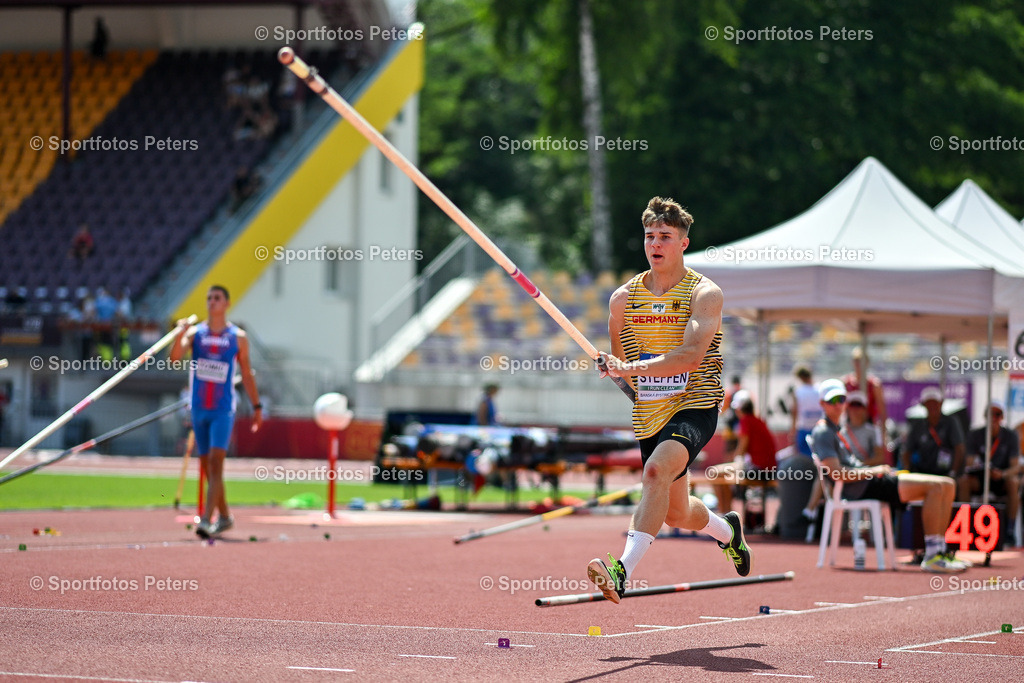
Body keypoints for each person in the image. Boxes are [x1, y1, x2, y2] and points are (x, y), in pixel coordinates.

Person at [586, 196, 749, 605]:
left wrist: (631, 370)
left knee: (656, 473)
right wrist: (614, 370)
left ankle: (622, 570)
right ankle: (728, 532)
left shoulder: (705, 294)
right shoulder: (623, 299)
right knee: (677, 514)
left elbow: (690, 356)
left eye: (665, 237)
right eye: (649, 236)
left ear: (684, 243)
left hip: (696, 401)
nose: (655, 243)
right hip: (651, 410)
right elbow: (625, 372)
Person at [812, 379, 967, 573]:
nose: (838, 404)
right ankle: (932, 556)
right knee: (936, 487)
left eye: (841, 399)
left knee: (948, 484)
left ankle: (941, 551)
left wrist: (876, 470)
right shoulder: (823, 432)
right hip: (863, 487)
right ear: (821, 404)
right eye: (832, 400)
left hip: (870, 481)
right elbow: (837, 474)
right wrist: (875, 470)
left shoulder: (836, 429)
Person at [169, 285, 263, 539]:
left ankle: (206, 519)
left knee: (216, 463)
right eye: (209, 298)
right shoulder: (197, 334)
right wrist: (179, 335)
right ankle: (225, 516)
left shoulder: (238, 337)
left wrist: (256, 406)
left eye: (217, 298)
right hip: (199, 408)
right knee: (207, 467)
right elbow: (174, 358)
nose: (211, 302)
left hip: (223, 409)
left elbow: (247, 373)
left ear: (227, 303)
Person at [959, 402, 1020, 543]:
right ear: (985, 416)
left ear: (1002, 417)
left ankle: (1009, 530)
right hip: (981, 477)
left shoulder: (1011, 436)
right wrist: (982, 466)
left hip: (1001, 478)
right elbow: (969, 462)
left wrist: (1002, 474)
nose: (993, 418)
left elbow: (1015, 466)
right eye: (990, 414)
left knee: (1014, 483)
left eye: (997, 414)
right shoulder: (975, 434)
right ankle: (965, 525)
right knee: (963, 482)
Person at [708, 396, 776, 514]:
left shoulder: (746, 421)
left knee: (714, 472)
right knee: (721, 474)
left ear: (739, 409)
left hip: (759, 469)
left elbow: (742, 449)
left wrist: (733, 460)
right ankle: (726, 512)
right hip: (767, 468)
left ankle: (725, 513)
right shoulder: (757, 420)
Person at [901, 386, 965, 478]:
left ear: (941, 403)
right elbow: (907, 450)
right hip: (923, 472)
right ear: (924, 405)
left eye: (935, 403)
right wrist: (908, 470)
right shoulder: (918, 425)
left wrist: (953, 472)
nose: (932, 406)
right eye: (929, 403)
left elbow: (959, 448)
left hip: (945, 473)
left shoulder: (951, 422)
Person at [842, 347, 887, 429]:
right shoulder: (846, 382)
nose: (858, 364)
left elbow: (882, 411)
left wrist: (883, 432)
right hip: (850, 426)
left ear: (867, 363)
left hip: (869, 424)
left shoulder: (874, 384)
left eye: (861, 361)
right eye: (856, 361)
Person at [842, 391, 886, 466]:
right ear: (847, 409)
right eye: (852, 405)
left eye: (859, 405)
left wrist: (859, 466)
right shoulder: (840, 431)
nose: (855, 409)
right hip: (845, 472)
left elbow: (880, 457)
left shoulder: (874, 431)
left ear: (865, 409)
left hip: (866, 473)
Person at [789, 366, 819, 457]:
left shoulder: (798, 392)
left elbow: (794, 412)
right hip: (818, 429)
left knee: (805, 459)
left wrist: (793, 430)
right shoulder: (819, 389)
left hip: (804, 430)